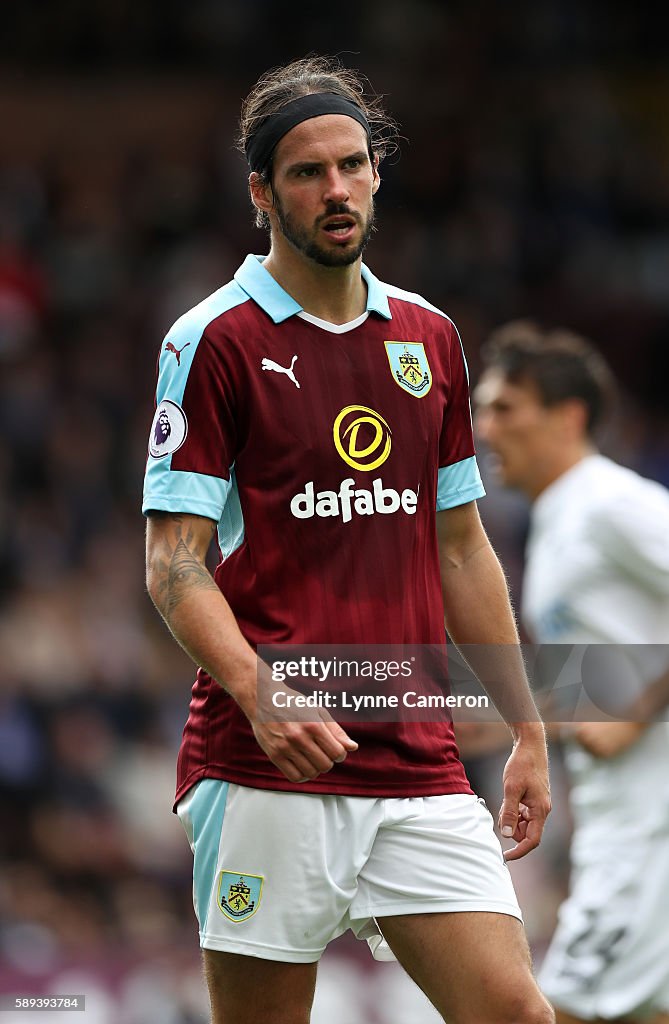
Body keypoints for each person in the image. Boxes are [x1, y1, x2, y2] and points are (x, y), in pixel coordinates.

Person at [143, 56, 553, 1024]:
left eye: (352, 165)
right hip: (268, 761)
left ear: (376, 173)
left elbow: (463, 547)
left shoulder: (430, 336)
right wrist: (262, 694)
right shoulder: (214, 340)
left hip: (418, 754)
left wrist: (528, 724)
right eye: (305, 172)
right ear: (260, 192)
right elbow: (172, 564)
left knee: (517, 1014)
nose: (336, 189)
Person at [474, 321, 669, 1024]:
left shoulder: (609, 504)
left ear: (568, 416)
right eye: (480, 409)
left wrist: (635, 709)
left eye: (503, 408)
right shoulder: (557, 523)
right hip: (619, 821)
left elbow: (623, 694)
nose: (483, 428)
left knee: (567, 1009)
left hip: (650, 822)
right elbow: (604, 664)